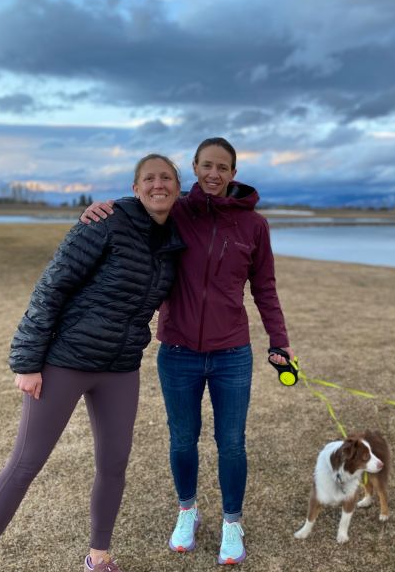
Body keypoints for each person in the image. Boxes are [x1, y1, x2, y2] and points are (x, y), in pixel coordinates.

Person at [0, 154, 186, 572]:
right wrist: (27, 362)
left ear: (178, 189)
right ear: (135, 188)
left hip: (121, 367)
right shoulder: (105, 221)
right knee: (26, 463)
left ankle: (99, 557)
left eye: (166, 178)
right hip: (66, 361)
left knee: (114, 464)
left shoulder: (173, 241)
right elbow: (51, 286)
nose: (158, 184)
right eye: (149, 178)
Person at [81, 137, 293, 565]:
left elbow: (265, 288)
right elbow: (142, 203)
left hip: (232, 352)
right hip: (178, 351)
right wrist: (101, 209)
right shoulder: (175, 213)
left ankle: (232, 522)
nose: (214, 174)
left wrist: (279, 341)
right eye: (206, 165)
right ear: (194, 168)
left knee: (231, 442)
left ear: (233, 173)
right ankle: (187, 511)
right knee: (182, 439)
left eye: (222, 167)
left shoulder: (254, 226)